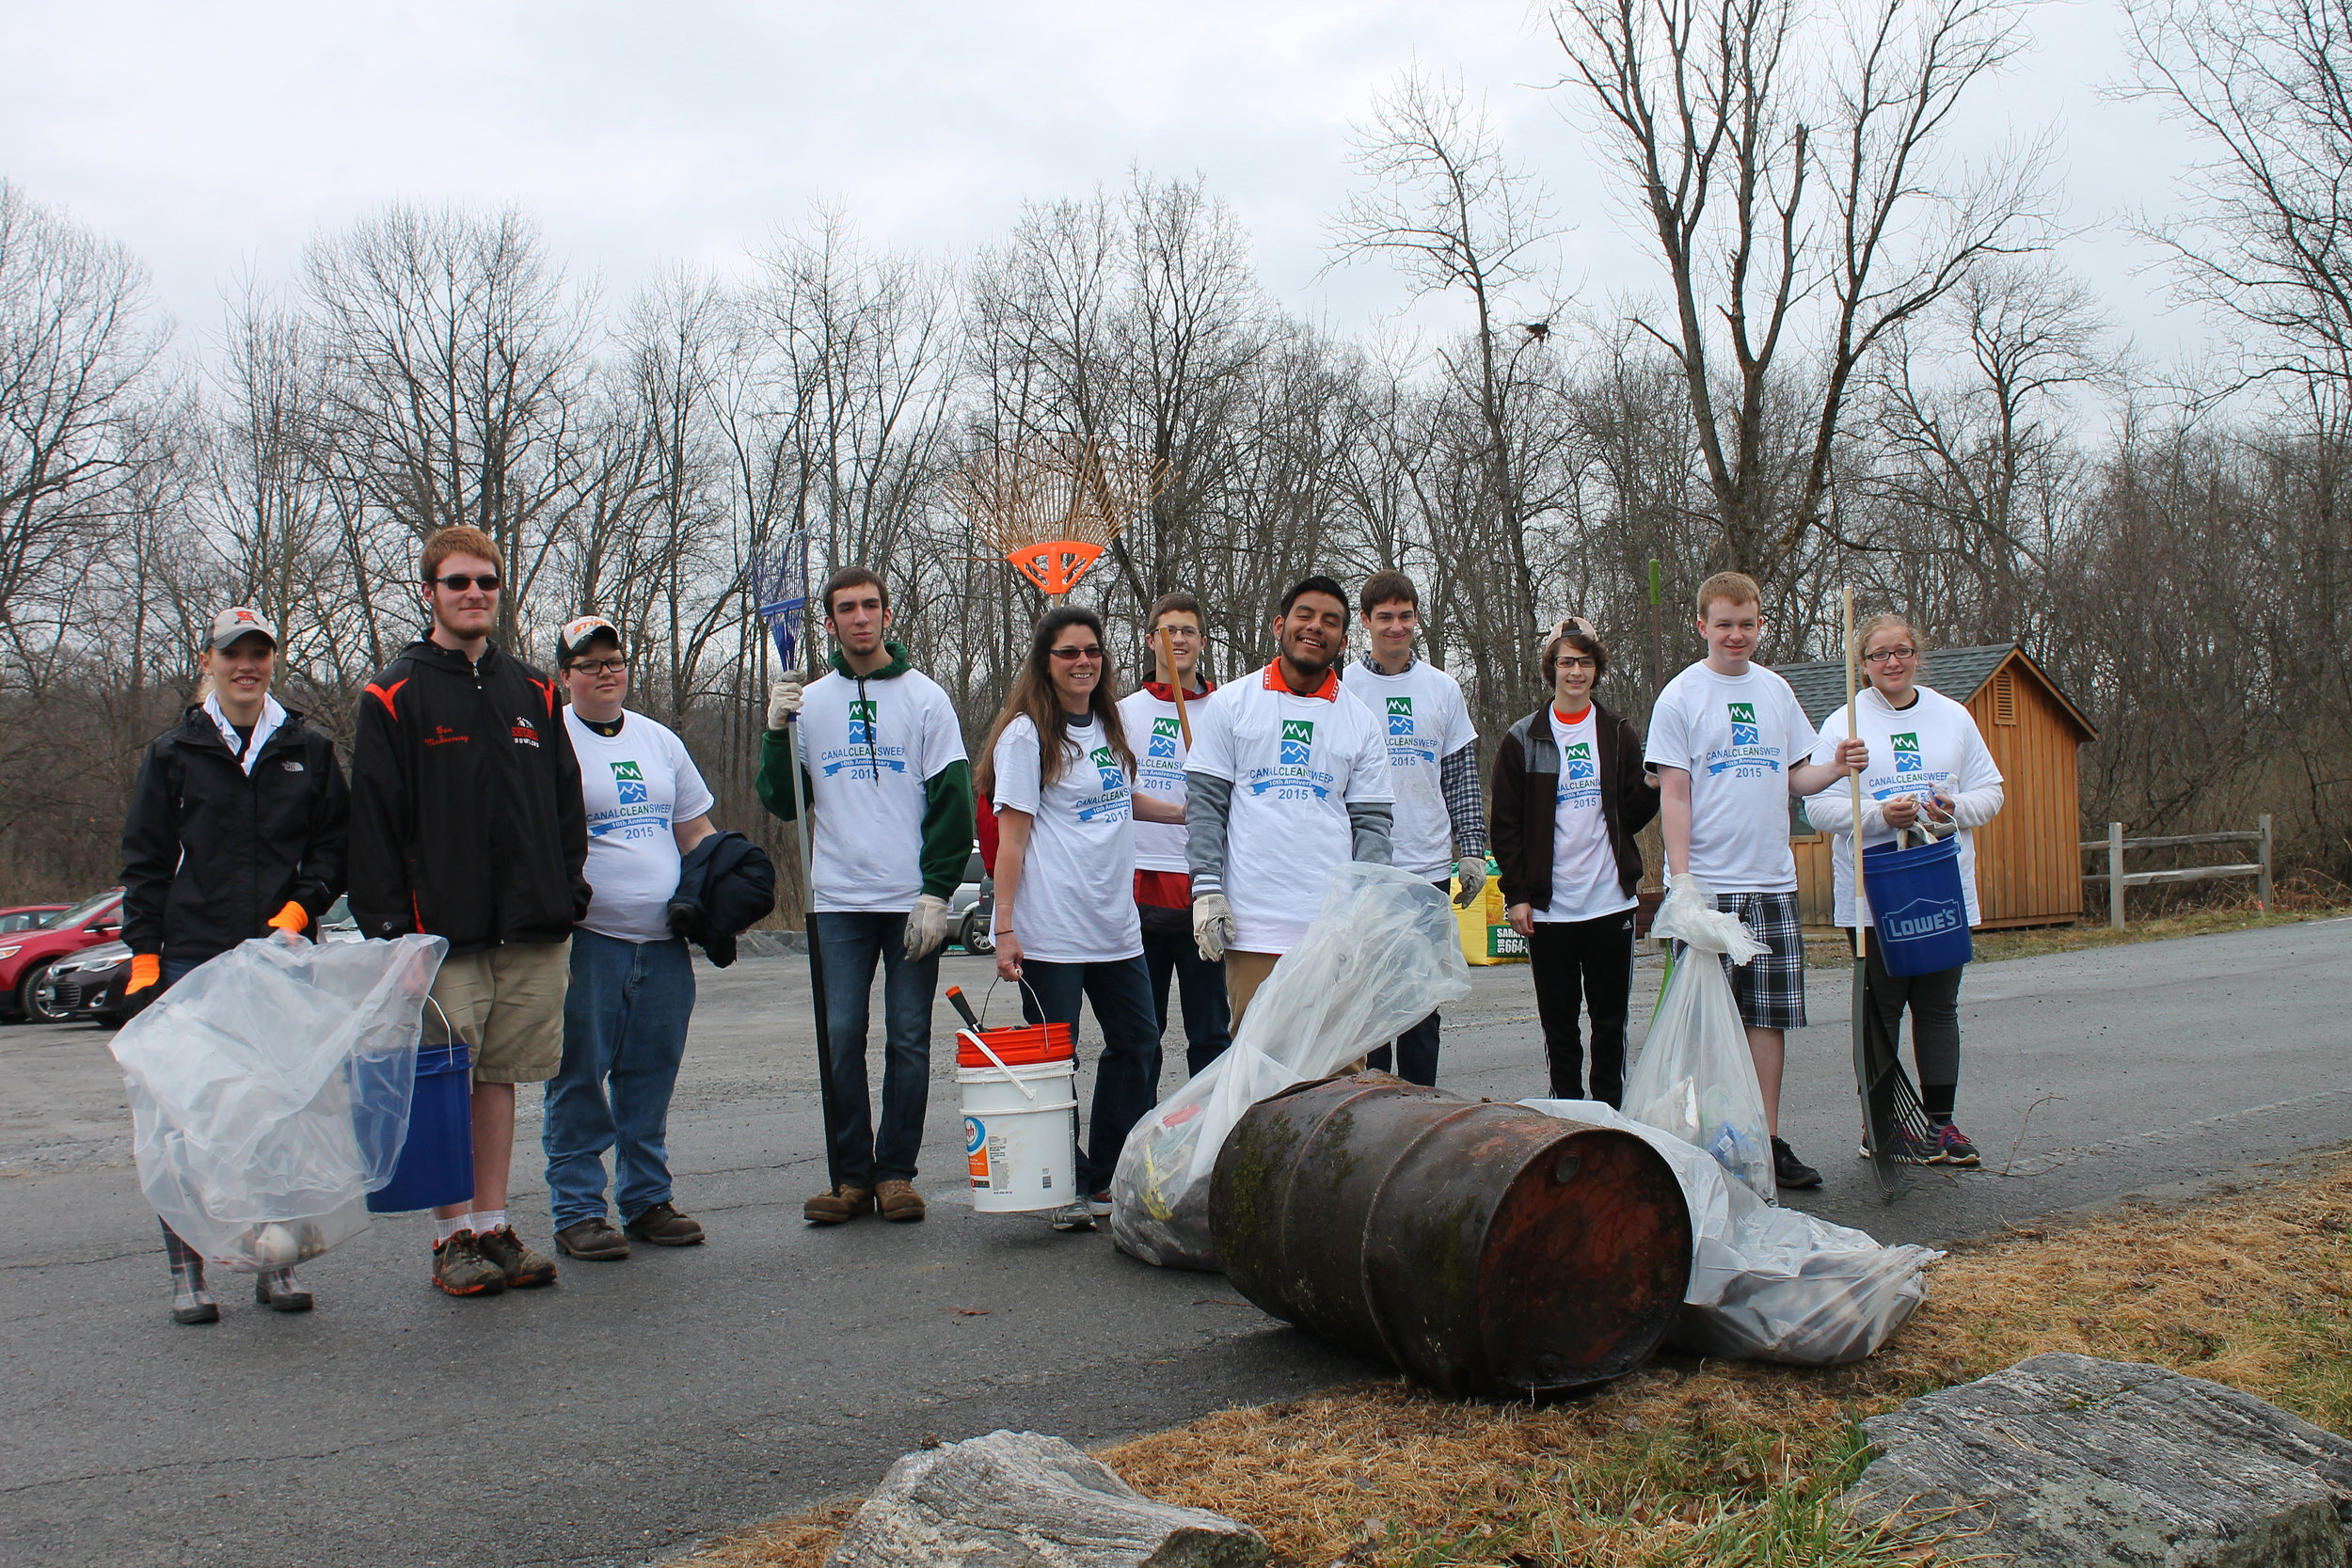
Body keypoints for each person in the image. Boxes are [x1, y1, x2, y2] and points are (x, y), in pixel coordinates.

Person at [349, 526, 589, 1298]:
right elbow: (375, 822)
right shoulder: (394, 693)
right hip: (439, 933)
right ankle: (449, 1236)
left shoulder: (534, 691)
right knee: (444, 1082)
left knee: (500, 1079)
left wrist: (566, 892)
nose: (475, 594)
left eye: (487, 581)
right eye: (458, 583)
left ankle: (491, 1224)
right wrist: (392, 930)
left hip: (531, 928)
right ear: (430, 592)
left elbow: (564, 805)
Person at [119, 606, 350, 1323]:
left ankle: (274, 1262)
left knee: (279, 1114)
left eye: (258, 653)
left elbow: (335, 849)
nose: (246, 665)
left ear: (272, 660)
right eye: (232, 654)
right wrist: (145, 957)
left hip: (278, 958)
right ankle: (189, 1270)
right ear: (208, 661)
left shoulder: (306, 748)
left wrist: (300, 910)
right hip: (193, 956)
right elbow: (146, 861)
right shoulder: (173, 753)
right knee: (191, 1119)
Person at [760, 567, 975, 1226]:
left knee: (908, 1037)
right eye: (846, 608)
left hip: (909, 900)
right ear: (828, 622)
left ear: (887, 614)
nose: (860, 618)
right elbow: (779, 802)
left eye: (871, 606)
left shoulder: (925, 698)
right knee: (840, 1034)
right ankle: (850, 1176)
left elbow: (953, 801)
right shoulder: (810, 701)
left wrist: (938, 894)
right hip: (837, 902)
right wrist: (775, 731)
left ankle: (895, 1174)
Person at [1645, 572, 1866, 1192]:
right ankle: (1707, 1142)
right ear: (1702, 625)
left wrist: (1837, 765)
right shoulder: (1682, 696)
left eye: (1746, 623)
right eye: (1724, 624)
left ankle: (1764, 1142)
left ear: (1759, 623)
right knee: (1705, 1023)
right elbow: (1676, 793)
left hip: (1772, 882)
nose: (1735, 634)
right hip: (1709, 888)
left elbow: (1797, 777)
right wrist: (1682, 879)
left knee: (1766, 1020)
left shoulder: (1775, 691)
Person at [979, 606, 1186, 1231]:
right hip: (1052, 930)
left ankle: (1108, 1173)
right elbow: (1011, 840)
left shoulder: (1107, 723)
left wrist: (1185, 808)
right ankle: (1058, 1178)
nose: (1082, 662)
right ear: (1046, 661)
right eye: (1068, 652)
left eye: (1091, 650)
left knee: (1137, 1042)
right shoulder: (1025, 736)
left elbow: (1122, 797)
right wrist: (1005, 926)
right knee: (1053, 1060)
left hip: (1115, 926)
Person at [541, 614, 718, 1261]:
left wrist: (709, 891)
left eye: (613, 660)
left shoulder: (658, 740)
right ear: (565, 676)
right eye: (588, 664)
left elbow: (694, 829)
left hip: (664, 943)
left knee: (650, 1075)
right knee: (578, 1076)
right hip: (588, 941)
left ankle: (646, 1198)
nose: (605, 672)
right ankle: (579, 1208)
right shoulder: (550, 740)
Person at [1803, 613, 2004, 1166]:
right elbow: (1817, 805)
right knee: (1882, 1007)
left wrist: (1952, 809)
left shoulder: (1953, 717)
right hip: (1875, 891)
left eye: (1903, 651)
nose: (1892, 663)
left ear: (1918, 655)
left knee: (1938, 1005)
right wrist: (1875, 815)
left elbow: (1991, 791)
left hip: (1941, 881)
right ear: (1862, 664)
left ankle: (1941, 1125)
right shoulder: (1844, 722)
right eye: (1878, 655)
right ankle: (1882, 1123)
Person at [1186, 575, 1393, 1029]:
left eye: (1330, 621)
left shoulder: (1361, 721)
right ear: (1280, 625)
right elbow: (1206, 805)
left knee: (1337, 1075)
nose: (1315, 627)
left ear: (1342, 640)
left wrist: (1366, 910)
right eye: (1305, 615)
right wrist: (1206, 888)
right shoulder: (1232, 704)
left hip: (1332, 930)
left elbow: (1373, 825)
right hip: (1253, 926)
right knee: (1259, 1072)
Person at [1488, 619, 1659, 1105]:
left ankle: (1610, 1114)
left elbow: (1629, 813)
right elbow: (1506, 825)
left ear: (1596, 669)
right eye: (1567, 662)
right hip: (1550, 909)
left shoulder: (1618, 733)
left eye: (1585, 662)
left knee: (1610, 1022)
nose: (1576, 671)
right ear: (1552, 669)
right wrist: (1517, 894)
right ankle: (1565, 1113)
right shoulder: (1524, 739)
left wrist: (1650, 787)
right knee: (1560, 1024)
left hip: (1609, 903)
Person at [1341, 571, 1486, 1085]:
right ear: (1365, 622)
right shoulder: (1342, 689)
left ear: (1416, 619)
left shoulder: (1442, 689)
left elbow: (1462, 778)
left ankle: (1421, 1109)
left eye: (1405, 616)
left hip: (1426, 870)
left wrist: (1471, 851)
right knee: (1369, 1002)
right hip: (1366, 871)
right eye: (1384, 618)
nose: (1395, 627)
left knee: (1423, 1002)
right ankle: (1371, 1110)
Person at [1115, 592, 1228, 1082]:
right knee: (1141, 1033)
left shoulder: (1226, 711)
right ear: (1150, 640)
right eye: (1168, 630)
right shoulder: (1121, 713)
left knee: (1210, 1032)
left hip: (1202, 888)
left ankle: (1212, 1139)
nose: (1177, 639)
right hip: (1140, 890)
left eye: (1187, 630)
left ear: (1202, 642)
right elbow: (1114, 796)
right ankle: (1136, 1138)